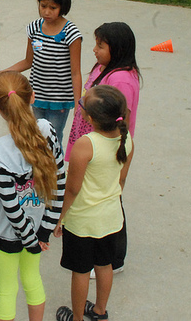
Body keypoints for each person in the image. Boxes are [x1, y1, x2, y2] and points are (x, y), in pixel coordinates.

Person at [0, 71, 66, 321]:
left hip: (7, 235)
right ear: (32, 97)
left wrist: (29, 238)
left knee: (6, 290)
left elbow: (10, 206)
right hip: (38, 228)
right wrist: (43, 231)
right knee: (33, 281)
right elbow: (59, 182)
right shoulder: (47, 131)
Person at [65, 22, 140, 275]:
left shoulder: (121, 79)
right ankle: (94, 245)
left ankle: (113, 258)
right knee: (93, 195)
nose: (94, 50)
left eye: (100, 46)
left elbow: (122, 116)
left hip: (105, 146)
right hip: (90, 140)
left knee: (109, 197)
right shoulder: (103, 68)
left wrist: (116, 145)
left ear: (116, 50)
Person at [54, 85, 134, 321]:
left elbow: (73, 188)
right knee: (104, 264)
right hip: (111, 217)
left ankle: (77, 318)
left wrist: (60, 217)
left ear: (90, 118)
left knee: (80, 271)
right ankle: (100, 311)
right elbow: (121, 179)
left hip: (83, 221)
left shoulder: (86, 144)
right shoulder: (127, 139)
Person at [6, 0, 82, 146]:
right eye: (43, 6)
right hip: (37, 95)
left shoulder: (71, 33)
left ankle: (56, 163)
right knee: (38, 136)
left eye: (53, 8)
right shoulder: (34, 28)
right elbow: (28, 61)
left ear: (63, 7)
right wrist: (4, 72)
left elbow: (76, 72)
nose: (47, 12)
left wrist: (78, 104)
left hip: (59, 99)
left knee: (53, 138)